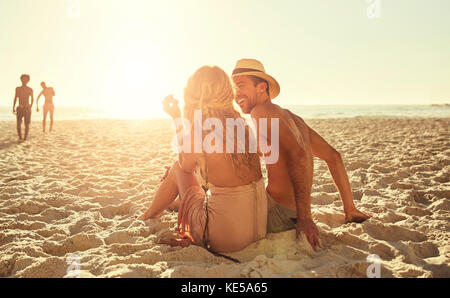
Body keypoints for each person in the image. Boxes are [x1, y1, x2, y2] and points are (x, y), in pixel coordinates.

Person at [231, 59, 371, 250]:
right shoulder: (292, 117)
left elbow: (298, 155)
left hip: (277, 214)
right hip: (291, 212)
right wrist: (350, 209)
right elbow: (334, 157)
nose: (235, 93)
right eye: (233, 87)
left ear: (261, 87)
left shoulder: (260, 111)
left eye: (240, 85)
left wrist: (306, 218)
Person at [138, 66, 267, 254]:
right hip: (256, 233)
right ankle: (153, 213)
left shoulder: (201, 130)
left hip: (224, 239)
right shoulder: (240, 125)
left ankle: (149, 215)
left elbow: (184, 165)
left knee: (177, 169)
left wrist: (176, 118)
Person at [13, 74, 34, 141]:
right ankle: (20, 137)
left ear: (28, 80)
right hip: (20, 108)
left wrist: (30, 106)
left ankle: (25, 138)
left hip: (27, 108)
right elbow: (15, 98)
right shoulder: (18, 88)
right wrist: (13, 107)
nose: (24, 80)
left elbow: (32, 98)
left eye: (26, 79)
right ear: (21, 79)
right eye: (23, 79)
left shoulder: (30, 89)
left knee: (27, 124)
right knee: (18, 123)